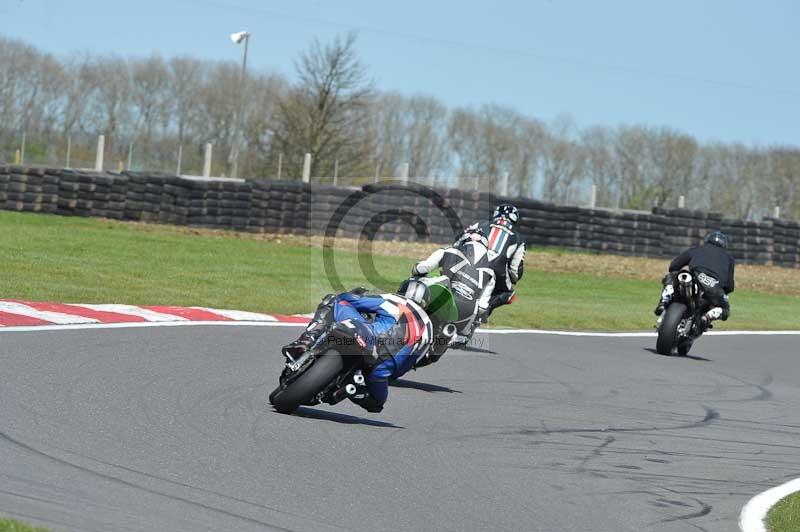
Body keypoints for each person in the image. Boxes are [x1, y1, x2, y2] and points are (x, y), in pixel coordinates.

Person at [281, 281, 436, 413]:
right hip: (385, 367)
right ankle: (349, 389)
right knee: (377, 404)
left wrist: (352, 295)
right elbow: (409, 364)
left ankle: (306, 340)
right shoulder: (429, 330)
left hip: (369, 337)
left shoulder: (396, 300)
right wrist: (386, 373)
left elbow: (353, 301)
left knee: (335, 300)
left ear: (403, 290)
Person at [412, 227, 495, 344]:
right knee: (478, 307)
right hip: (465, 315)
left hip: (441, 302)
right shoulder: (491, 272)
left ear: (462, 239)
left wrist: (416, 270)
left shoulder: (448, 251)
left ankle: (410, 318)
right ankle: (462, 335)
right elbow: (482, 307)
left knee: (419, 281)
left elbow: (422, 268)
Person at [655, 230, 735, 332]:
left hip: (694, 279)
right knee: (725, 310)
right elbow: (730, 286)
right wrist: (722, 292)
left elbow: (674, 266)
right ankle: (709, 316)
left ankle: (664, 300)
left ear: (707, 240)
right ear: (725, 245)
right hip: (714, 288)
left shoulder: (697, 249)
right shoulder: (729, 259)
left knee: (672, 276)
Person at [457, 203, 526, 318]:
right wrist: (514, 279)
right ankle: (482, 312)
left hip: (468, 263)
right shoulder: (519, 238)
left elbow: (460, 240)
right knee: (509, 294)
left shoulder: (480, 224)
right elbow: (515, 270)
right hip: (495, 271)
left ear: (496, 214)